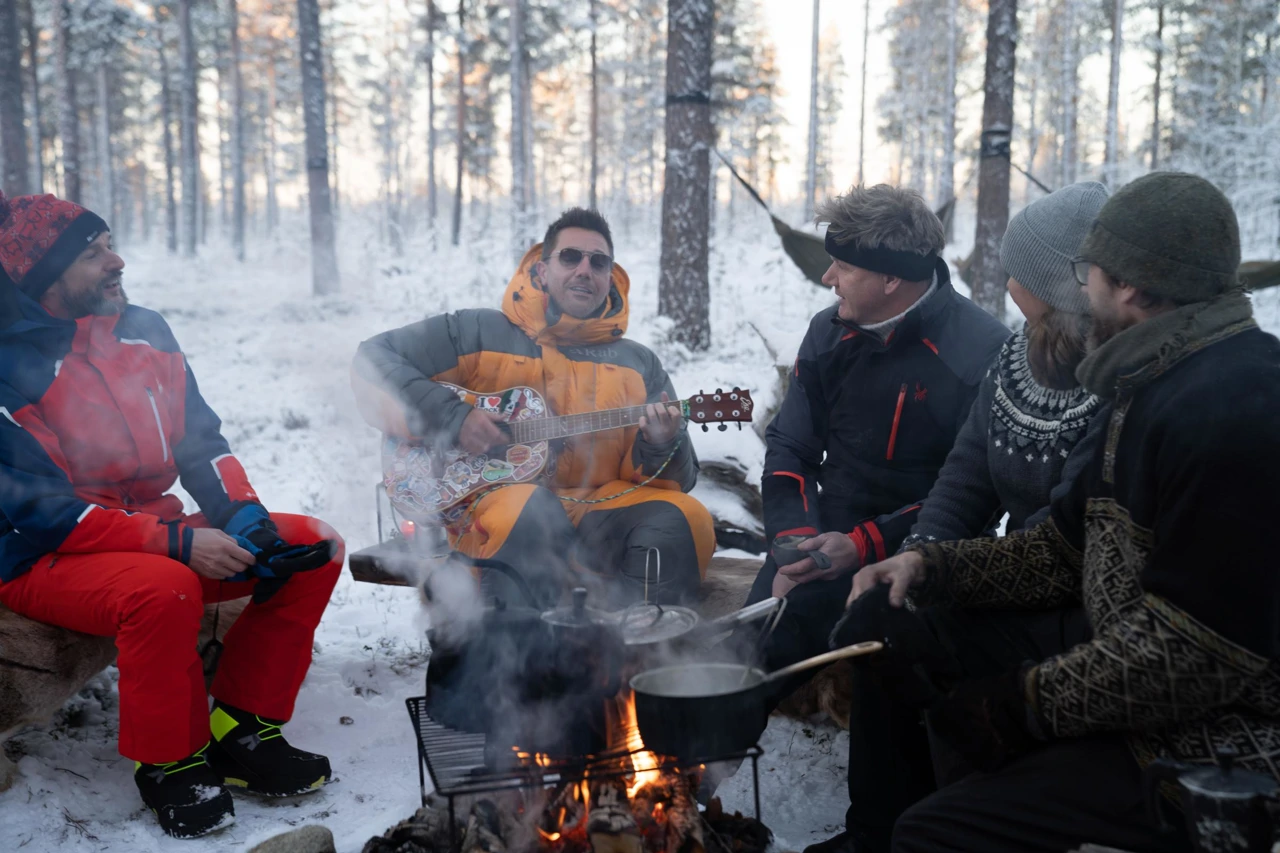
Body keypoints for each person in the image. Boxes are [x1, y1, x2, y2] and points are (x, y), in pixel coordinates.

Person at [850, 172, 1276, 853]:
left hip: (1218, 743)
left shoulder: (1232, 409)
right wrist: (930, 565)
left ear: (1129, 287)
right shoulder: (1152, 375)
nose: (1083, 288)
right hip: (1135, 671)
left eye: (1090, 272)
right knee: (899, 628)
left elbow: (1192, 655)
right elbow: (1063, 547)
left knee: (932, 836)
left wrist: (1025, 704)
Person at [0, 193, 344, 839]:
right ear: (44, 274)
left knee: (314, 547)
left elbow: (202, 443)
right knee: (165, 588)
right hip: (39, 554)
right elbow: (45, 513)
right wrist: (180, 544)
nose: (116, 261)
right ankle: (169, 762)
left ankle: (242, 727)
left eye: (111, 243)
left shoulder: (144, 330)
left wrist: (247, 522)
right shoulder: (9, 364)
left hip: (147, 530)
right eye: (92, 252)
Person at [811, 182, 1111, 853]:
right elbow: (965, 479)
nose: (1002, 278)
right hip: (1016, 573)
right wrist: (912, 560)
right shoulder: (1016, 358)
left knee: (948, 648)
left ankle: (951, 822)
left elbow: (1064, 540)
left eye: (1015, 267)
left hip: (1085, 598)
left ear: (1055, 284)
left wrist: (946, 574)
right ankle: (878, 827)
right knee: (883, 618)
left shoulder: (1112, 383)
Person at [352, 208, 713, 606]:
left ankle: (631, 649)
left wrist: (662, 443)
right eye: (570, 256)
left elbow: (673, 481)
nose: (584, 269)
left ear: (610, 276)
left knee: (685, 516)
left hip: (598, 510)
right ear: (542, 270)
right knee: (530, 510)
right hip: (493, 505)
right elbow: (374, 360)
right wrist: (454, 418)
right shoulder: (478, 331)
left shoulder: (639, 363)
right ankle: (517, 656)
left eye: (599, 261)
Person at [745, 183, 1008, 667]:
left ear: (890, 280)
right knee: (750, 652)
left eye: (843, 266)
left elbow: (980, 494)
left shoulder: (980, 351)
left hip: (929, 547)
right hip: (826, 531)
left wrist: (864, 545)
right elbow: (790, 445)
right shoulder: (828, 332)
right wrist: (796, 547)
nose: (828, 277)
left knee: (892, 673)